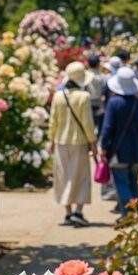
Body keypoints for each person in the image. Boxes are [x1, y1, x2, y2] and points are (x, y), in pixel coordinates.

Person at [48, 61, 97, 227]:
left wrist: (51, 140)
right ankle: (78, 211)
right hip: (80, 142)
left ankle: (68, 212)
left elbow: (53, 121)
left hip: (61, 141)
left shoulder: (57, 96)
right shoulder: (84, 97)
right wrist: (93, 144)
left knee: (63, 176)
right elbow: (88, 123)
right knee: (81, 177)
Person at [99, 67, 138, 216]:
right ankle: (136, 212)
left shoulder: (114, 103)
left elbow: (107, 128)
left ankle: (128, 213)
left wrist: (103, 148)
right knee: (133, 181)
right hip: (137, 151)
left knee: (121, 182)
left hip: (118, 151)